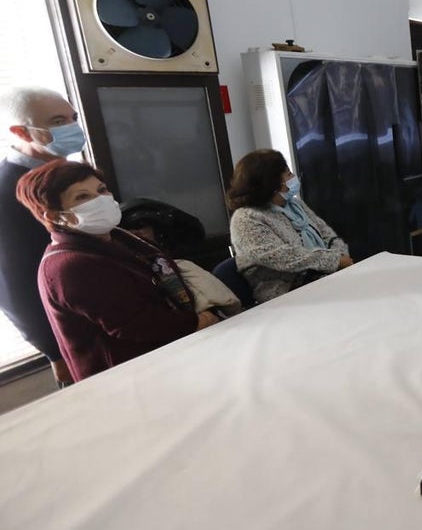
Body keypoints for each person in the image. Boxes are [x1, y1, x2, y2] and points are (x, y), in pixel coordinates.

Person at [15, 160, 219, 382]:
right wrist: (198, 322)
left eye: (101, 190)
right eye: (82, 197)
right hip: (132, 378)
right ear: (55, 216)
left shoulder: (117, 237)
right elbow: (136, 323)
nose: (100, 200)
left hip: (170, 357)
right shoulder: (69, 266)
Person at [0, 87, 87, 386]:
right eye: (58, 121)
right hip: (73, 340)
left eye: (73, 118)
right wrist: (55, 352)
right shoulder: (7, 192)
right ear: (21, 132)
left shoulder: (73, 175)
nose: (73, 127)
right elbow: (12, 286)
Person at [227, 149, 352, 303]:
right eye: (288, 174)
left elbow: (327, 234)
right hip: (286, 294)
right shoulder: (245, 219)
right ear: (272, 183)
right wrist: (334, 261)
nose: (294, 177)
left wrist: (341, 256)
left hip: (324, 278)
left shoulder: (294, 204)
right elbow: (283, 257)